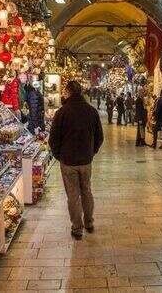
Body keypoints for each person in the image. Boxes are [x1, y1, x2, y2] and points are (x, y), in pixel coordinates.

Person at [49, 81, 104, 240]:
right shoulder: (91, 111)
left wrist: (59, 155)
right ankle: (89, 222)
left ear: (68, 92)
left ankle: (77, 228)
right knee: (86, 191)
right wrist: (91, 152)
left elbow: (53, 139)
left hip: (68, 161)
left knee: (73, 195)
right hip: (85, 160)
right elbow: (100, 136)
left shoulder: (62, 112)